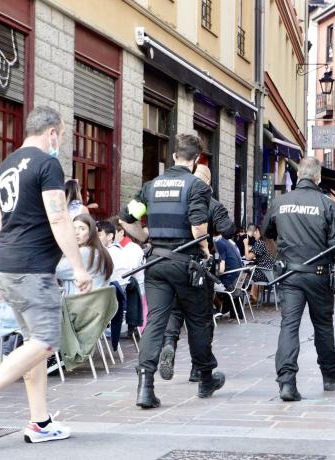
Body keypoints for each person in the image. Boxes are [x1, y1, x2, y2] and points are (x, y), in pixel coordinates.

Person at [0, 106, 93, 443]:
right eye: (60, 135)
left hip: (9, 264)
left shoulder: (5, 166)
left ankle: (40, 422)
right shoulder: (48, 164)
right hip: (33, 267)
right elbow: (59, 218)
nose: (59, 141)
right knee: (46, 341)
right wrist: (78, 266)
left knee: (33, 342)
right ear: (52, 133)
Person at [119, 133, 224, 409]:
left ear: (174, 156)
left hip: (155, 263)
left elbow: (125, 218)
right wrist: (205, 251)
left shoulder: (151, 187)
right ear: (197, 159)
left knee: (155, 321)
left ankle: (145, 386)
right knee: (198, 321)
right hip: (186, 262)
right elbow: (199, 227)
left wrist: (144, 239)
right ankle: (204, 379)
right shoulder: (197, 186)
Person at [262, 157, 335, 402]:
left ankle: (286, 382)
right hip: (317, 275)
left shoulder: (280, 202)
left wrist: (280, 251)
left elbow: (266, 233)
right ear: (317, 178)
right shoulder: (326, 205)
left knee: (289, 327)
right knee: (323, 326)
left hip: (290, 275)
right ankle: (329, 375)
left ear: (299, 176)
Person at [158, 163, 235, 382]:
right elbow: (228, 230)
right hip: (200, 264)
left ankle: (169, 345)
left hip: (172, 261)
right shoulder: (212, 204)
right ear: (208, 182)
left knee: (174, 310)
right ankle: (197, 369)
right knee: (201, 318)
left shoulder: (177, 197)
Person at [56, 214, 113, 295]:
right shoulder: (99, 249)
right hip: (96, 302)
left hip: (82, 303)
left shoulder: (86, 252)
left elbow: (55, 270)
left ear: (91, 232)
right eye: (74, 228)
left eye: (82, 229)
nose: (76, 233)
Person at [242, 224, 276, 301]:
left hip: (264, 274)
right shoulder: (271, 242)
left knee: (243, 271)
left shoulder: (260, 243)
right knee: (253, 269)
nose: (254, 235)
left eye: (254, 233)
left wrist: (245, 245)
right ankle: (254, 294)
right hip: (272, 274)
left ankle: (244, 295)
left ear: (257, 231)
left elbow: (247, 257)